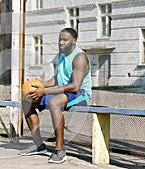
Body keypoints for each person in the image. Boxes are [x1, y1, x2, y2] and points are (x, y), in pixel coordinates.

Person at [18, 28, 92, 164]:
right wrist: (39, 85)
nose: (61, 42)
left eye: (65, 40)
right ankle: (38, 145)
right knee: (27, 100)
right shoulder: (62, 55)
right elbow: (58, 79)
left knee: (54, 103)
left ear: (74, 41)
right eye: (60, 39)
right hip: (64, 91)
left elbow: (75, 86)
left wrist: (44, 92)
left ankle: (60, 150)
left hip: (80, 93)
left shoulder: (79, 57)